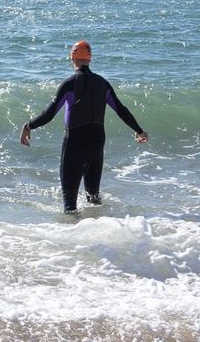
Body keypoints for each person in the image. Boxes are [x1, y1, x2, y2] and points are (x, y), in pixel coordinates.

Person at [19, 41, 148, 213]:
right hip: (96, 145)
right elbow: (121, 110)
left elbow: (49, 114)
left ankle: (73, 230)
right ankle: (102, 229)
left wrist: (28, 126)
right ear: (90, 58)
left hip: (75, 145)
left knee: (70, 207)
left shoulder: (69, 84)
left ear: (71, 58)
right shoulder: (103, 84)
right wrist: (139, 131)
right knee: (94, 200)